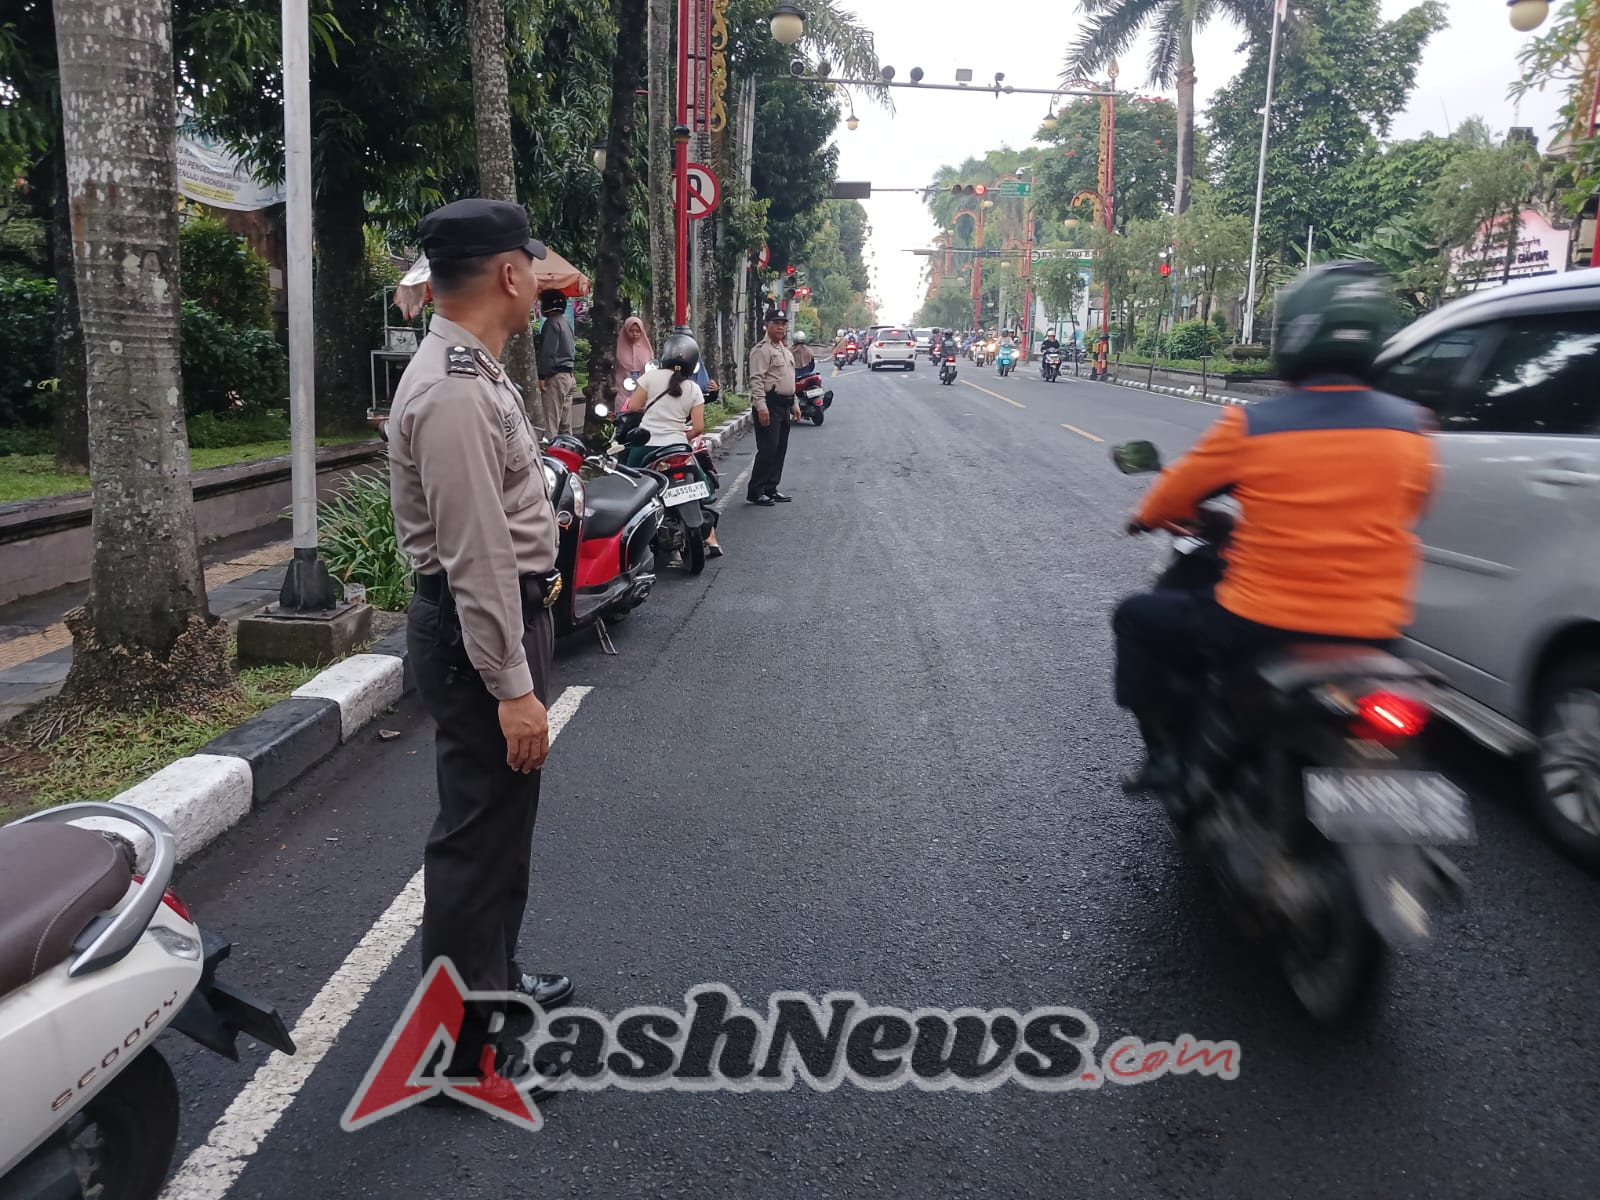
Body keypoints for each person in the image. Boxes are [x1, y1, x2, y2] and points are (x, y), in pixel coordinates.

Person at [1111, 260, 1433, 800]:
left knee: (1137, 616)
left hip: (1261, 622)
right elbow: (1416, 505)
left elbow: (1171, 497)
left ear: (1295, 335)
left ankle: (1165, 759)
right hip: (1376, 631)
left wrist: (1144, 519)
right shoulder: (1413, 426)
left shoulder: (1253, 425)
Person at [386, 198, 574, 1105]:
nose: (540, 280)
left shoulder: (479, 368)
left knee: (504, 829)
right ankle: (462, 1048)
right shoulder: (455, 389)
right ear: (507, 276)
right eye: (529, 267)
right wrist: (512, 686)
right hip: (479, 639)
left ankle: (493, 990)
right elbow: (478, 554)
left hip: (499, 627)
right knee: (475, 839)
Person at [747, 308, 797, 506]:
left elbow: (789, 379)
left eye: (783, 324)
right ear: (766, 325)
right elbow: (757, 379)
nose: (780, 327)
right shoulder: (762, 350)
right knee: (768, 450)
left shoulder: (784, 350)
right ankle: (755, 491)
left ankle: (771, 488)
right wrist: (761, 406)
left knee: (779, 450)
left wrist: (794, 403)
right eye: (776, 323)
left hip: (784, 404)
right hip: (770, 403)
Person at [536, 289, 579, 437]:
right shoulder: (565, 323)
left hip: (555, 377)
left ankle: (550, 457)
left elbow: (548, 352)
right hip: (569, 376)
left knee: (551, 424)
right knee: (565, 426)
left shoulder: (551, 324)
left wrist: (542, 376)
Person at [614, 314, 653, 397]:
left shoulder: (647, 349)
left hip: (642, 386)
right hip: (623, 385)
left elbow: (650, 369)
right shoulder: (618, 347)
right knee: (622, 407)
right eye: (631, 331)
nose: (635, 334)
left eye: (638, 331)